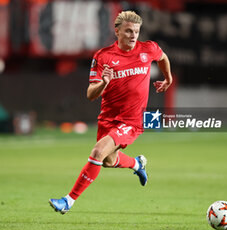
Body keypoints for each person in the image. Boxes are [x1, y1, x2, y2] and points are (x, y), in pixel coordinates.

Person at [49, 11, 172, 214]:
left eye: (137, 31)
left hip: (132, 120)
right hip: (108, 118)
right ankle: (136, 163)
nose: (133, 35)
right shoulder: (103, 56)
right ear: (117, 31)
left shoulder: (148, 48)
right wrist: (104, 83)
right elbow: (90, 94)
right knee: (108, 161)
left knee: (97, 152)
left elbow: (163, 57)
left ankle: (68, 201)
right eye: (129, 31)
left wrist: (168, 78)